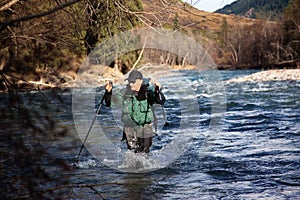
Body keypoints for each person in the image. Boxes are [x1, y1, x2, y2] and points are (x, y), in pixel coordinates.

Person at [104, 70, 165, 154]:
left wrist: (157, 91)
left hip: (145, 128)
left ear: (140, 81)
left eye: (133, 82)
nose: (130, 84)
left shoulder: (148, 92)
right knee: (132, 153)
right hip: (129, 129)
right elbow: (110, 103)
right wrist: (108, 92)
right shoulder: (124, 93)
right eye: (129, 82)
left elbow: (160, 101)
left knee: (143, 153)